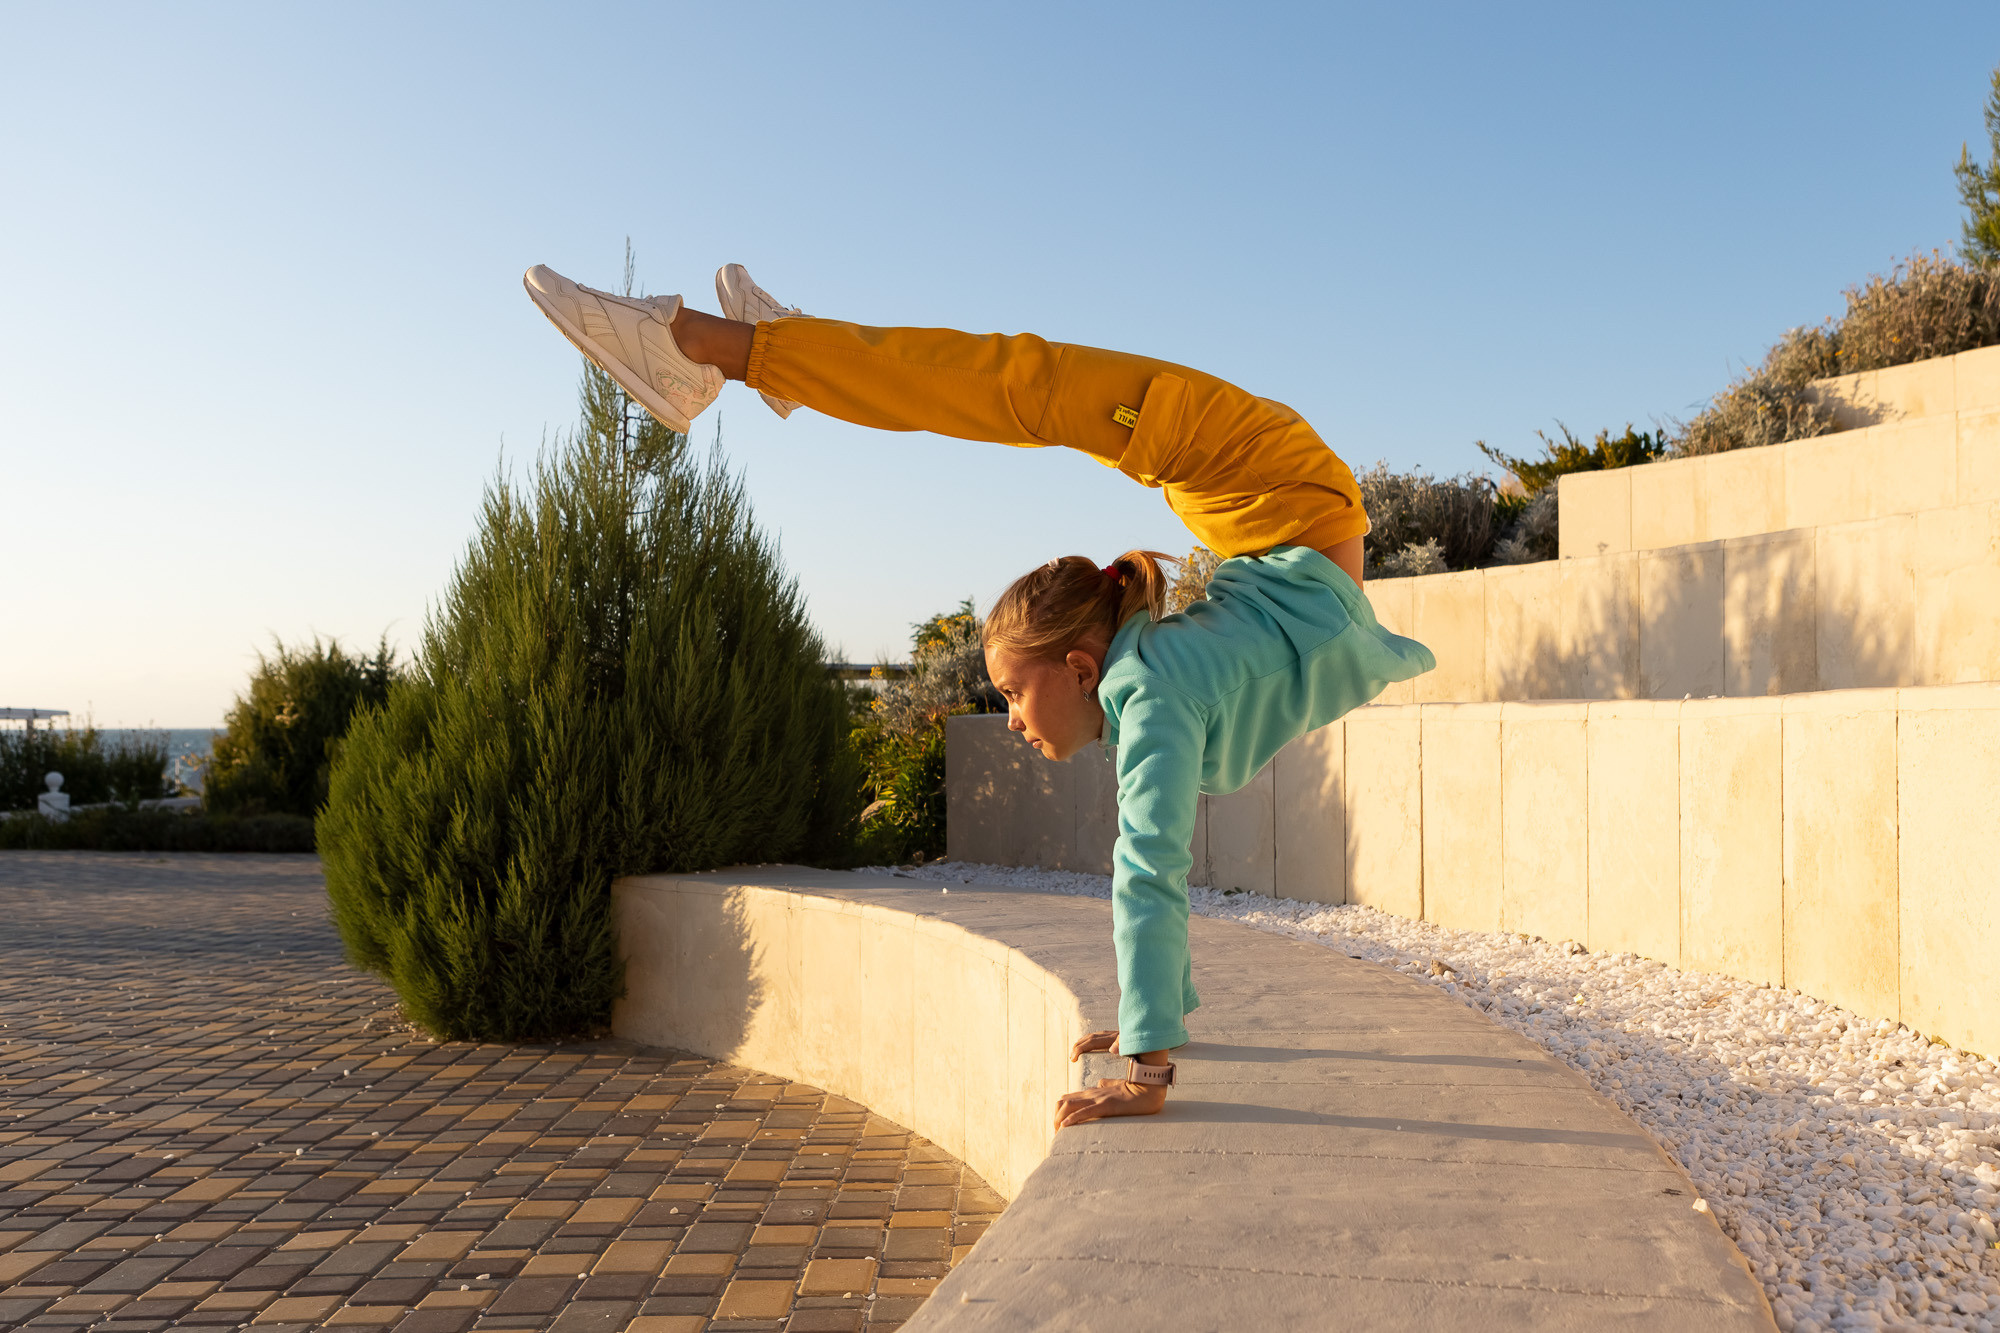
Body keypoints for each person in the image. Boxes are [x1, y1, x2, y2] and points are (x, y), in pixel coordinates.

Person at [522, 263, 1435, 1131]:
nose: (1010, 719)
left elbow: (1147, 872)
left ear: (1081, 668)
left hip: (1281, 499)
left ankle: (721, 345)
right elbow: (1153, 872)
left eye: (1010, 691)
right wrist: (1149, 1026)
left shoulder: (1150, 694)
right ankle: (770, 349)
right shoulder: (1148, 691)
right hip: (1281, 506)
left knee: (1026, 386)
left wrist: (1150, 1065)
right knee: (1025, 386)